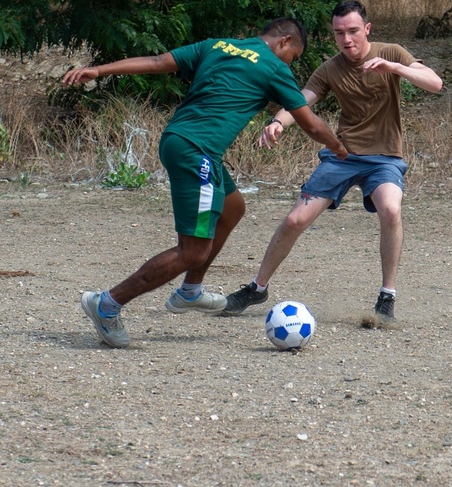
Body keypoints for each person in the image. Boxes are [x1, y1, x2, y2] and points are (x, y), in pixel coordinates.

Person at [62, 18, 348, 348]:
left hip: (178, 140)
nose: (290, 64)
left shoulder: (217, 45)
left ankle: (190, 290)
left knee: (233, 208)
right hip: (197, 152)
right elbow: (310, 123)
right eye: (293, 57)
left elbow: (157, 61)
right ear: (284, 41)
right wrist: (338, 147)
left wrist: (99, 70)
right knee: (193, 251)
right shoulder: (273, 67)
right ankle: (108, 303)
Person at [221, 0, 443, 325]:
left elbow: (435, 83)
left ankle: (387, 297)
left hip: (384, 158)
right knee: (295, 220)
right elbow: (301, 101)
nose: (347, 39)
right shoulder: (330, 68)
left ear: (367, 28)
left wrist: (395, 68)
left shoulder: (391, 52)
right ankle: (258, 288)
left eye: (353, 31)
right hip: (342, 156)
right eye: (339, 33)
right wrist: (279, 122)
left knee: (391, 210)